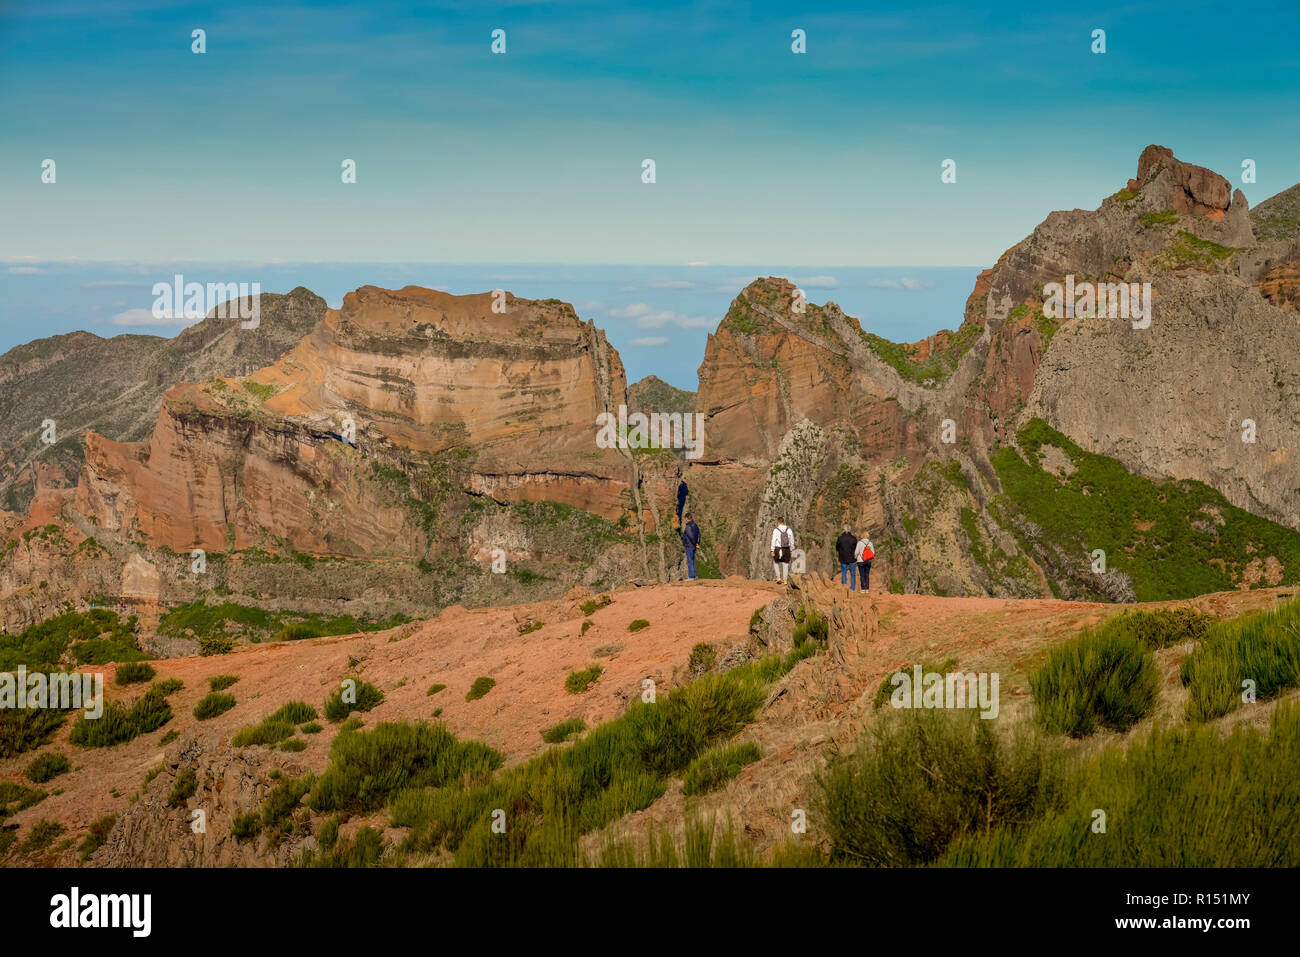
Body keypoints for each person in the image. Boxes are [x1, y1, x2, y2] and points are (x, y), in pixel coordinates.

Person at [771, 519, 796, 584]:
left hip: (778, 548)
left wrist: (772, 550)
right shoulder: (789, 530)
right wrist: (791, 549)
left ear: (778, 522)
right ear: (783, 522)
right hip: (786, 549)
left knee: (776, 562)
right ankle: (785, 580)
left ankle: (778, 578)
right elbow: (792, 540)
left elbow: (773, 540)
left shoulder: (776, 530)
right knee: (785, 564)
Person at [836, 523, 858, 590]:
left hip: (843, 557)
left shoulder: (840, 538)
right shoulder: (854, 538)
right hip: (852, 558)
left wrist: (840, 551)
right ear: (850, 530)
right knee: (853, 574)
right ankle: (852, 588)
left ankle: (844, 587)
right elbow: (856, 548)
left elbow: (837, 547)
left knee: (843, 572)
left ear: (844, 530)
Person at [681, 512, 701, 580]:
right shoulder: (695, 525)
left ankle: (691, 577)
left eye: (685, 519)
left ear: (687, 518)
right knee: (692, 560)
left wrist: (695, 543)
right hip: (694, 546)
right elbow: (699, 534)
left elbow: (691, 536)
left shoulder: (688, 526)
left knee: (690, 561)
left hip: (689, 545)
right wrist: (698, 543)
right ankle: (693, 576)